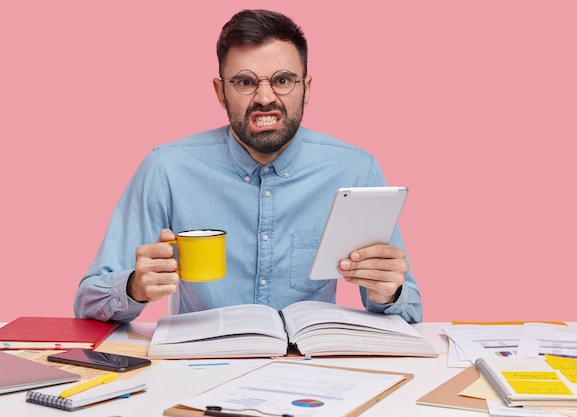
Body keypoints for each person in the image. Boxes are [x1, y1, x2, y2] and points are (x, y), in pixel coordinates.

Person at [74, 9, 422, 324]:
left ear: (307, 88)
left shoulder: (355, 170)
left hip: (309, 370)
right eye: (245, 82)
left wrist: (387, 292)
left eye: (283, 80)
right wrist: (135, 286)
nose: (266, 97)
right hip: (197, 372)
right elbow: (88, 301)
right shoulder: (167, 169)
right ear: (221, 92)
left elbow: (411, 309)